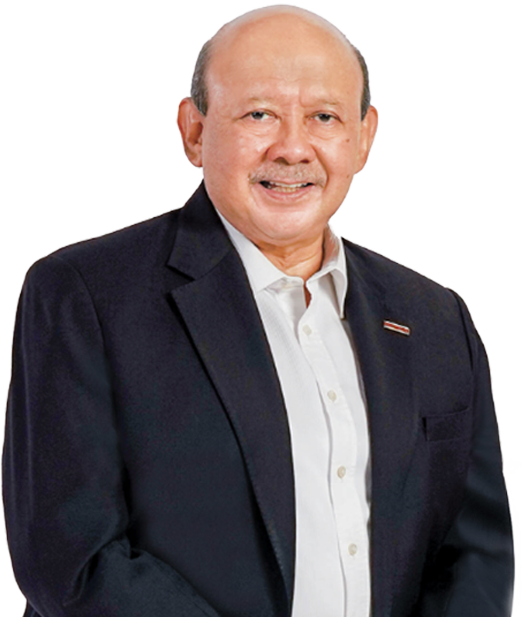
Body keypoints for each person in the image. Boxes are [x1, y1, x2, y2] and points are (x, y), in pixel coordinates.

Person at [2, 6, 514, 617]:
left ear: (363, 137)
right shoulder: (86, 294)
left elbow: (474, 551)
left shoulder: (435, 318)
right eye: (259, 115)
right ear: (195, 132)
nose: (293, 148)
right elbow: (71, 559)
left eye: (324, 117)